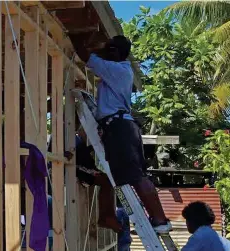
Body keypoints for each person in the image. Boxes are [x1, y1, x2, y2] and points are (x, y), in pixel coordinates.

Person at [72, 35, 171, 233]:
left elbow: (86, 57)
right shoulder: (119, 70)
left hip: (120, 128)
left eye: (108, 49)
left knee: (135, 177)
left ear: (115, 52)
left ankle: (160, 220)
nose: (105, 53)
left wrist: (72, 36)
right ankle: (107, 216)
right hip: (120, 127)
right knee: (116, 177)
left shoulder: (117, 69)